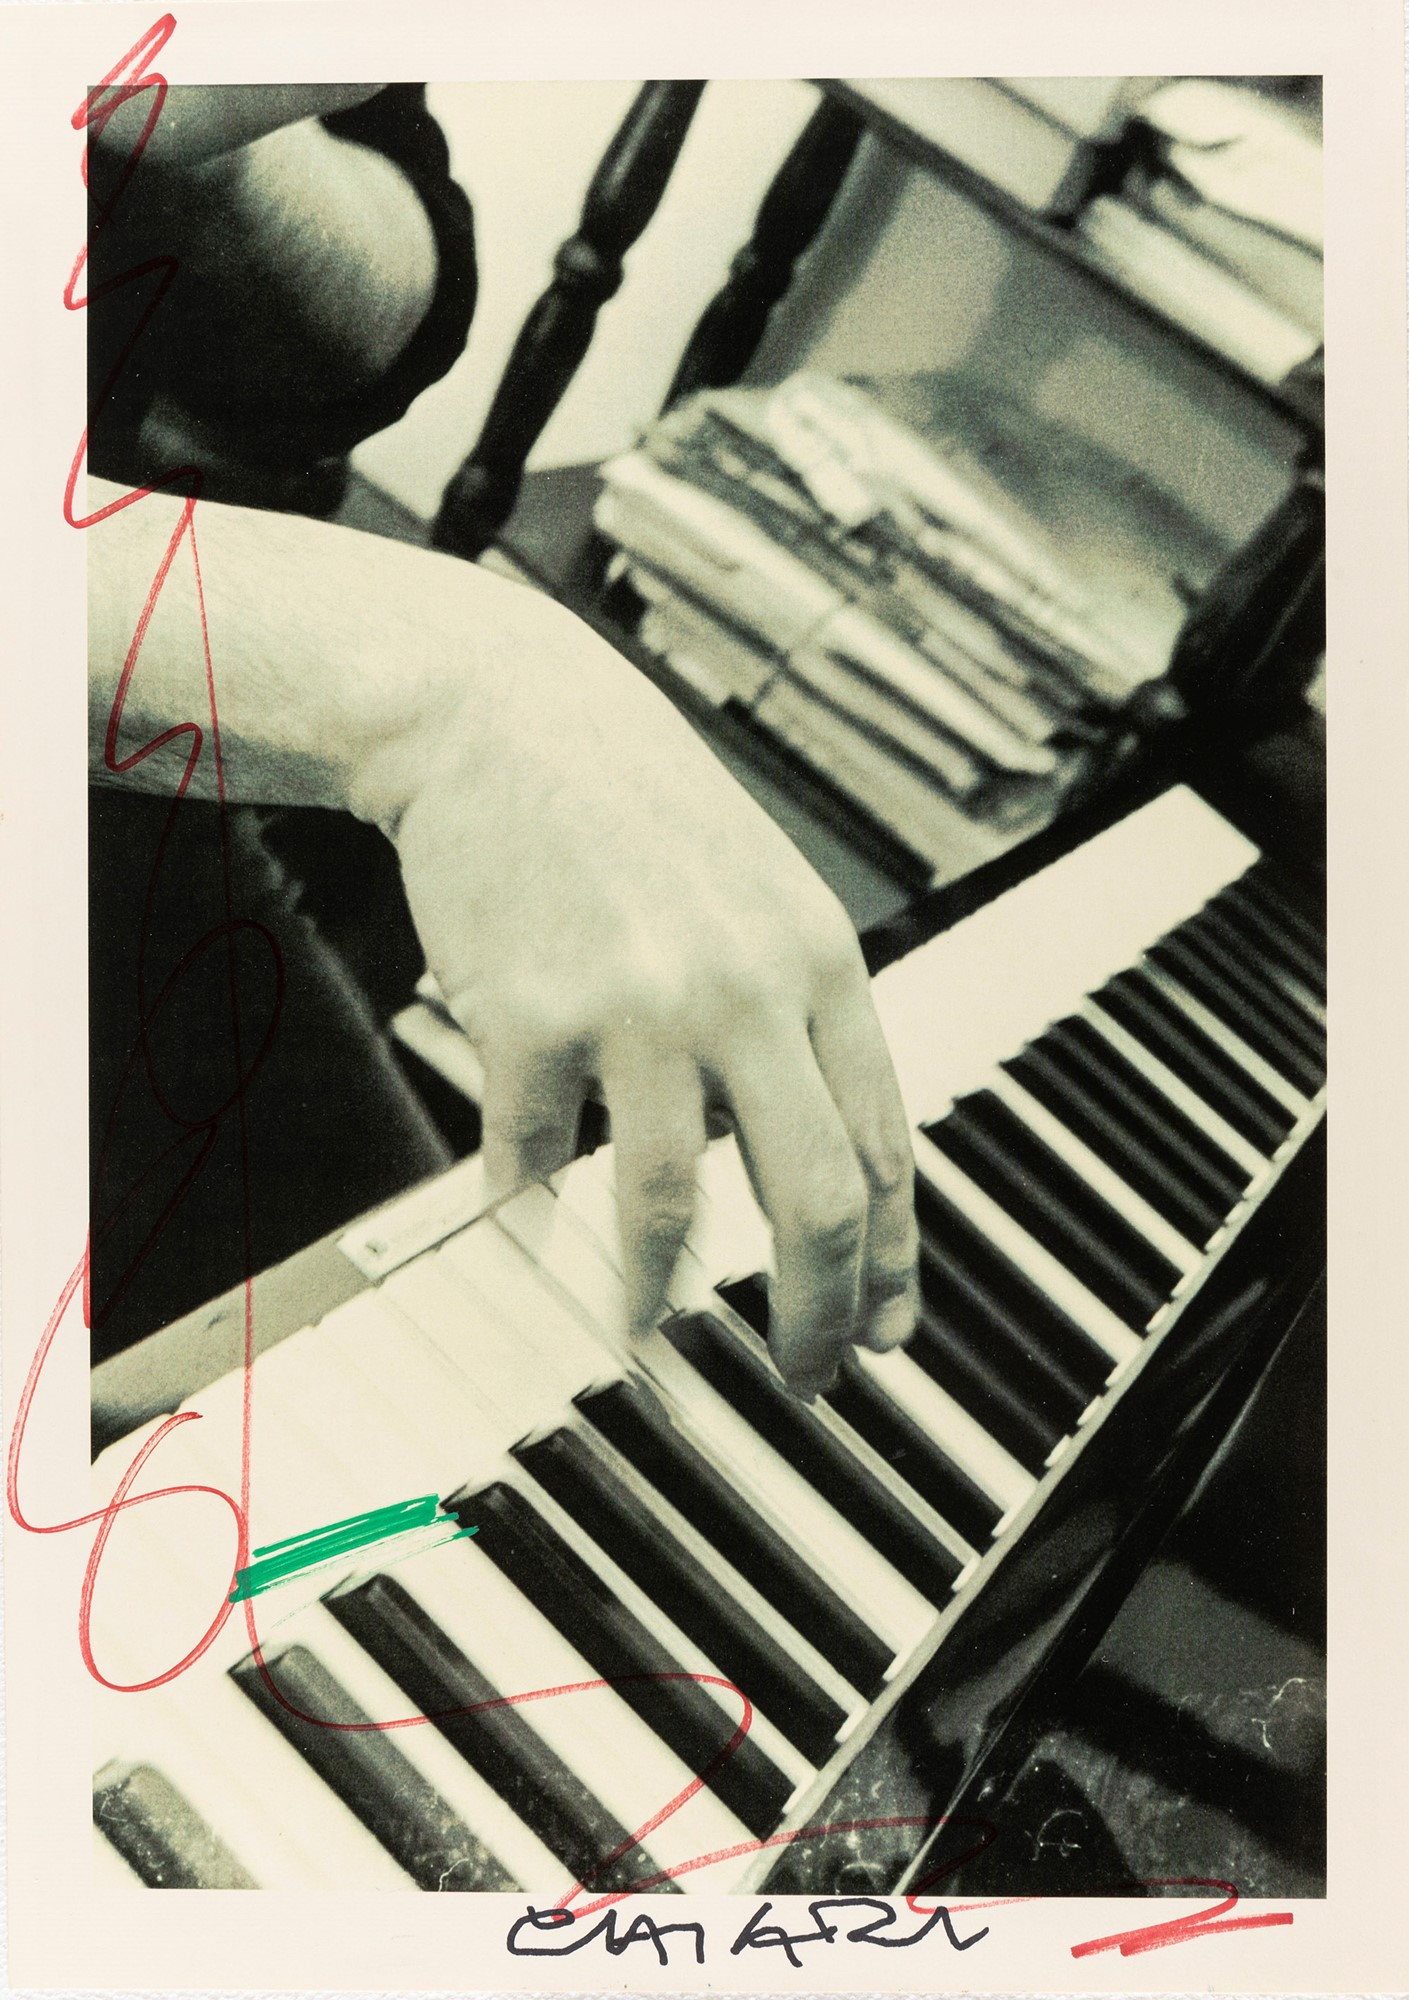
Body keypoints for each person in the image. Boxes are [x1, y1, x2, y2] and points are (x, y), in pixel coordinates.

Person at [85, 84, 919, 1398]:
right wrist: (449, 691)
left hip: (111, 804)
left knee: (462, 1387)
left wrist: (181, 139)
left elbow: (363, 349)